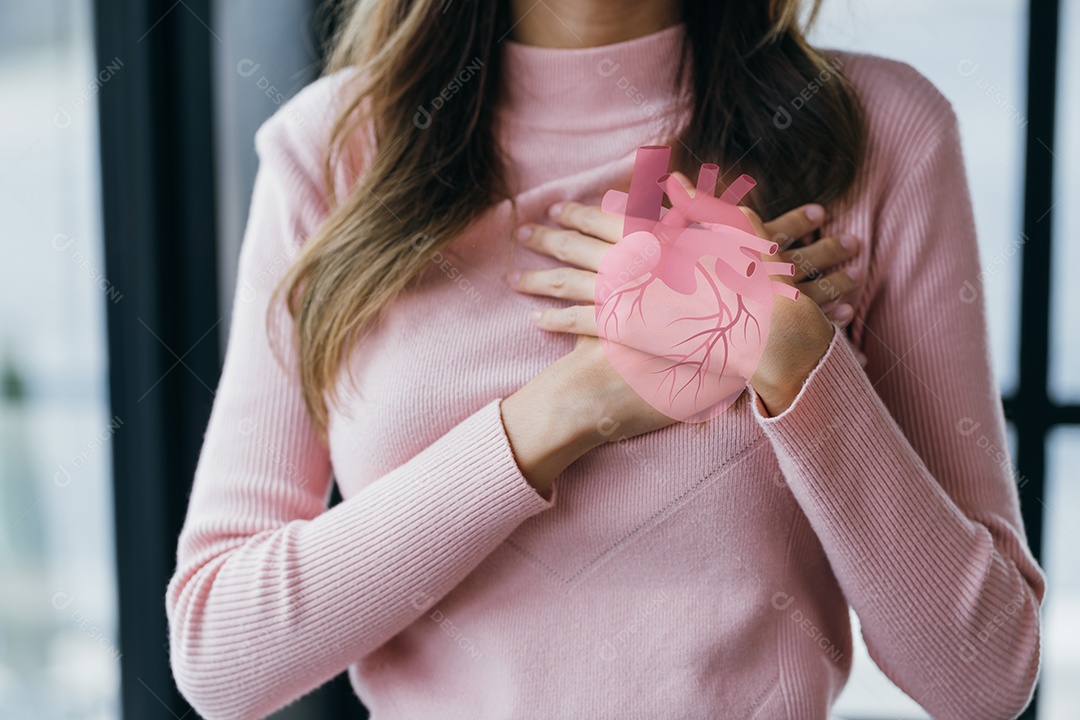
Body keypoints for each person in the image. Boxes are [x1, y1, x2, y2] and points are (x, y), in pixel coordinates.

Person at [166, 1, 1046, 718]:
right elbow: (219, 650)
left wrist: (790, 351)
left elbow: (984, 674)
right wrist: (580, 402)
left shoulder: (882, 132)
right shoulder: (334, 149)